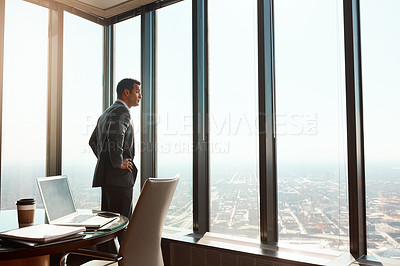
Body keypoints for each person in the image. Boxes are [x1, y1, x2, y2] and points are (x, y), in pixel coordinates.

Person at [89, 78, 141, 220]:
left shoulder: (106, 113)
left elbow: (93, 142)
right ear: (126, 92)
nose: (140, 96)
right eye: (137, 92)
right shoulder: (122, 111)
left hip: (108, 180)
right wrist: (118, 162)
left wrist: (107, 161)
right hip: (120, 180)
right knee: (121, 225)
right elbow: (117, 135)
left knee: (109, 226)